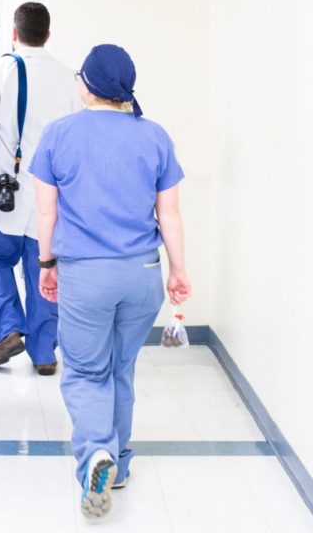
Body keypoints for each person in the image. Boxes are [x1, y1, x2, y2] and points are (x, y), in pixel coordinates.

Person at [29, 44, 192, 518]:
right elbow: (171, 216)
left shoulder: (59, 135)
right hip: (142, 274)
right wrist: (179, 271)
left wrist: (46, 265)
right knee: (121, 369)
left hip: (86, 275)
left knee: (84, 372)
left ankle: (95, 453)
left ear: (87, 84)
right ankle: (117, 465)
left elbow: (46, 213)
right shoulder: (155, 136)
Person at [0, 2, 82, 375]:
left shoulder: (2, 70)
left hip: (5, 194)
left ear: (13, 32)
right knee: (45, 270)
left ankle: (9, 329)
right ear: (48, 35)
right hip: (51, 199)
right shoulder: (68, 77)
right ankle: (43, 353)